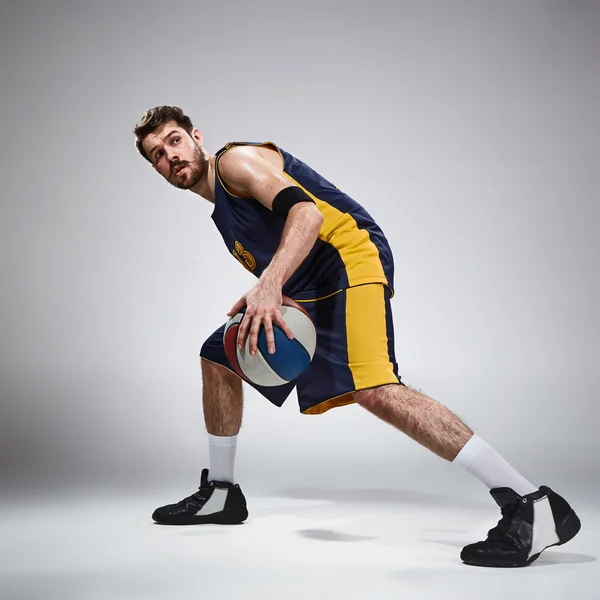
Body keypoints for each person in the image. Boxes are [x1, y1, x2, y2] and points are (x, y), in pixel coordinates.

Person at [133, 105, 581, 568]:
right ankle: (221, 494)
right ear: (157, 170)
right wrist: (272, 285)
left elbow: (307, 216)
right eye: (158, 155)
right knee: (221, 354)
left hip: (349, 255)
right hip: (308, 280)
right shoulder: (221, 214)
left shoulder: (234, 163)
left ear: (196, 136)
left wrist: (268, 285)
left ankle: (532, 503)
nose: (171, 155)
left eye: (174, 140)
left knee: (375, 389)